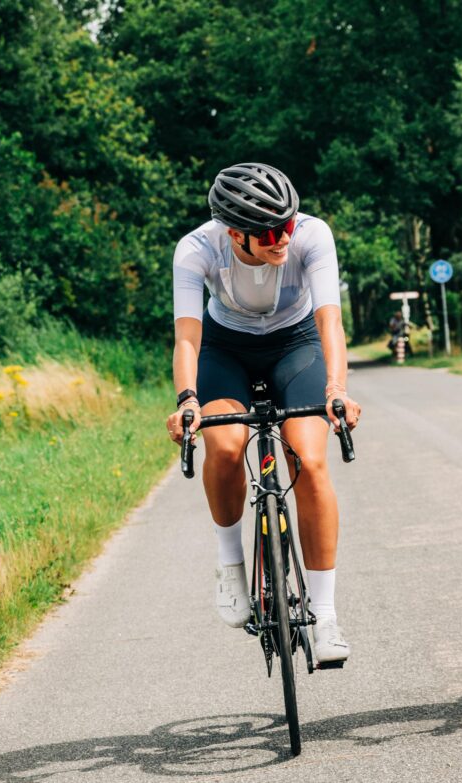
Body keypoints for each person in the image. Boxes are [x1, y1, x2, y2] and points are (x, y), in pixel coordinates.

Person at [165, 163, 362, 665]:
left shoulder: (311, 235)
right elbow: (187, 337)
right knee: (226, 446)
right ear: (235, 233)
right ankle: (230, 563)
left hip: (296, 346)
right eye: (271, 232)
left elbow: (329, 320)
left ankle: (326, 615)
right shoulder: (196, 249)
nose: (283, 239)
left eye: (288, 225)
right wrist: (188, 399)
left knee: (311, 461)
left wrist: (337, 388)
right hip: (224, 350)